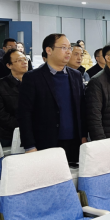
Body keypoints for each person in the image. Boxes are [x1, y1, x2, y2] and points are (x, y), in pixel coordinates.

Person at [18, 34, 87, 163]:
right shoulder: (33, 77)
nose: (68, 51)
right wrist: (29, 145)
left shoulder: (76, 75)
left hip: (75, 142)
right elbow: (25, 114)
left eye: (69, 48)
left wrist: (83, 135)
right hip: (46, 142)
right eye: (64, 47)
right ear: (49, 50)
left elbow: (81, 109)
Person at [0, 49, 28, 148]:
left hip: (34, 132)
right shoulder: (0, 85)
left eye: (25, 59)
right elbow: (0, 115)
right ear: (9, 65)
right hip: (8, 135)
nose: (24, 62)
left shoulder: (35, 82)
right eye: (19, 60)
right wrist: (24, 125)